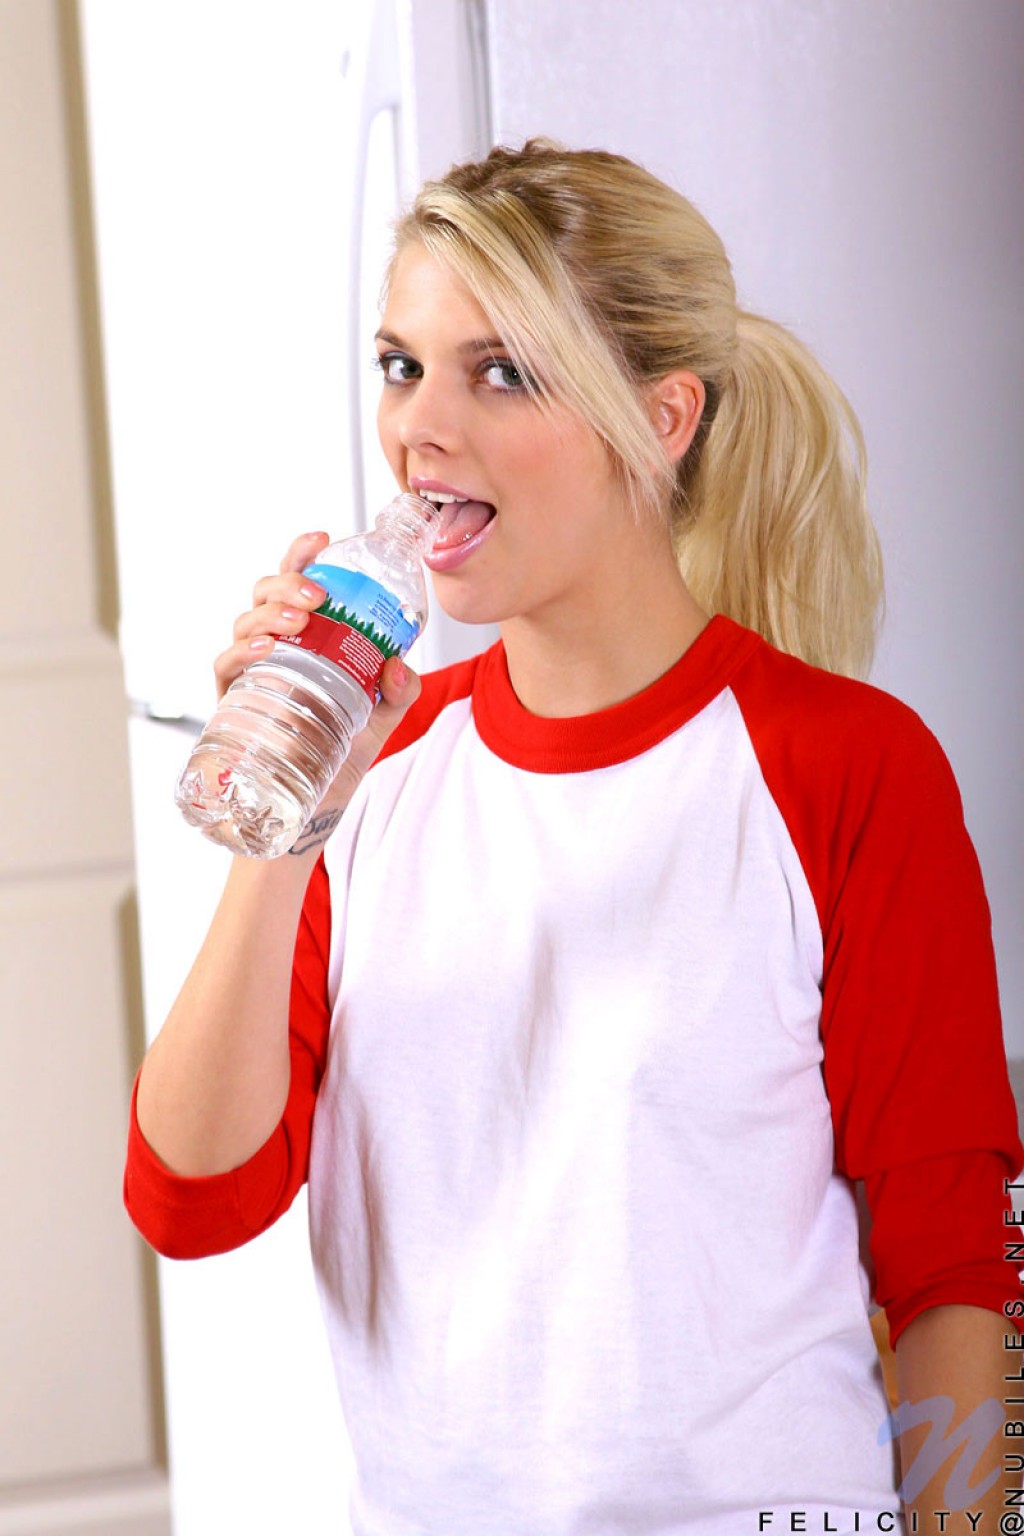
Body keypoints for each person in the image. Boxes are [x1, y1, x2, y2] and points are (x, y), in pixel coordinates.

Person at [124, 139, 1023, 1534]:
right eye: (401, 364)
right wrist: (291, 815)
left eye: (501, 372)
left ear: (661, 418)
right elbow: (192, 1201)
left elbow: (953, 1267)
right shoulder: (381, 772)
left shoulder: (846, 768)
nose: (420, 428)